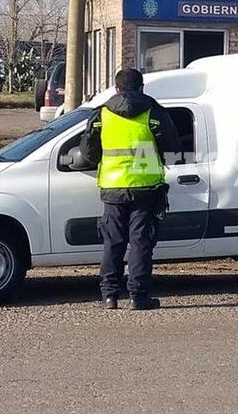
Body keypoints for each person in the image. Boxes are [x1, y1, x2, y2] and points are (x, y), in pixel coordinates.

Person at [80, 68, 181, 310]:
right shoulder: (154, 112)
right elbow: (172, 147)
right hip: (146, 188)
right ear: (141, 88)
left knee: (112, 242)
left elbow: (88, 151)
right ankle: (138, 297)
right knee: (140, 243)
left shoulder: (102, 115)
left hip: (113, 188)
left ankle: (109, 296)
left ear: (116, 89)